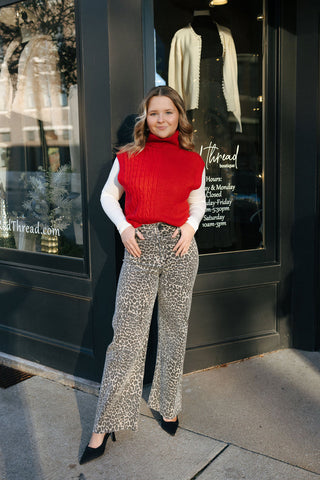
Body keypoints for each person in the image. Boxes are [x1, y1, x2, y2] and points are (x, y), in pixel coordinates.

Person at [80, 86, 206, 465]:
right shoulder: (129, 157)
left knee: (173, 330)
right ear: (145, 118)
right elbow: (107, 196)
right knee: (126, 339)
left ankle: (169, 404)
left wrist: (190, 227)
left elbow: (197, 201)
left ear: (179, 117)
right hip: (139, 248)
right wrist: (122, 228)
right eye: (154, 113)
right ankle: (105, 423)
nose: (162, 119)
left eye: (169, 112)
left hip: (181, 250)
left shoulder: (193, 160)